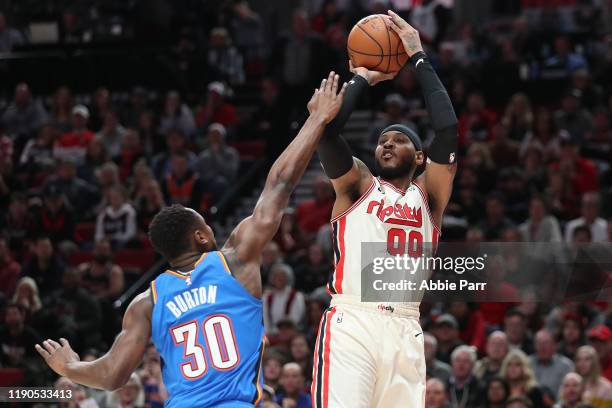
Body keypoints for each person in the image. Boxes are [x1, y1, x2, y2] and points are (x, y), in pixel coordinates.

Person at [36, 72, 347, 407]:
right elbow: (279, 186)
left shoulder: (147, 302)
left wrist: (70, 366)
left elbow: (112, 374)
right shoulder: (234, 261)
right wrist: (316, 119)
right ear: (201, 235)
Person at [311, 11, 458, 407]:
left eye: (398, 139)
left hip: (406, 328)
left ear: (420, 156)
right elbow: (327, 133)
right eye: (382, 141)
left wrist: (418, 57)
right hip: (353, 321)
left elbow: (448, 130)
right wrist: (361, 76)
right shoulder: (358, 184)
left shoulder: (429, 197)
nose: (387, 144)